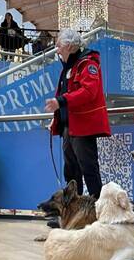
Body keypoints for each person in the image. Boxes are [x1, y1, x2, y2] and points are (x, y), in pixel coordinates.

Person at [45, 29, 110, 199]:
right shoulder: (71, 66)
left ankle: (98, 213)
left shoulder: (88, 64)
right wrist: (58, 118)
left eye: (59, 46)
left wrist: (60, 101)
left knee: (89, 169)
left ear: (68, 46)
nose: (57, 50)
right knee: (71, 170)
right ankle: (73, 212)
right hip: (69, 126)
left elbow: (89, 91)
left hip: (83, 127)